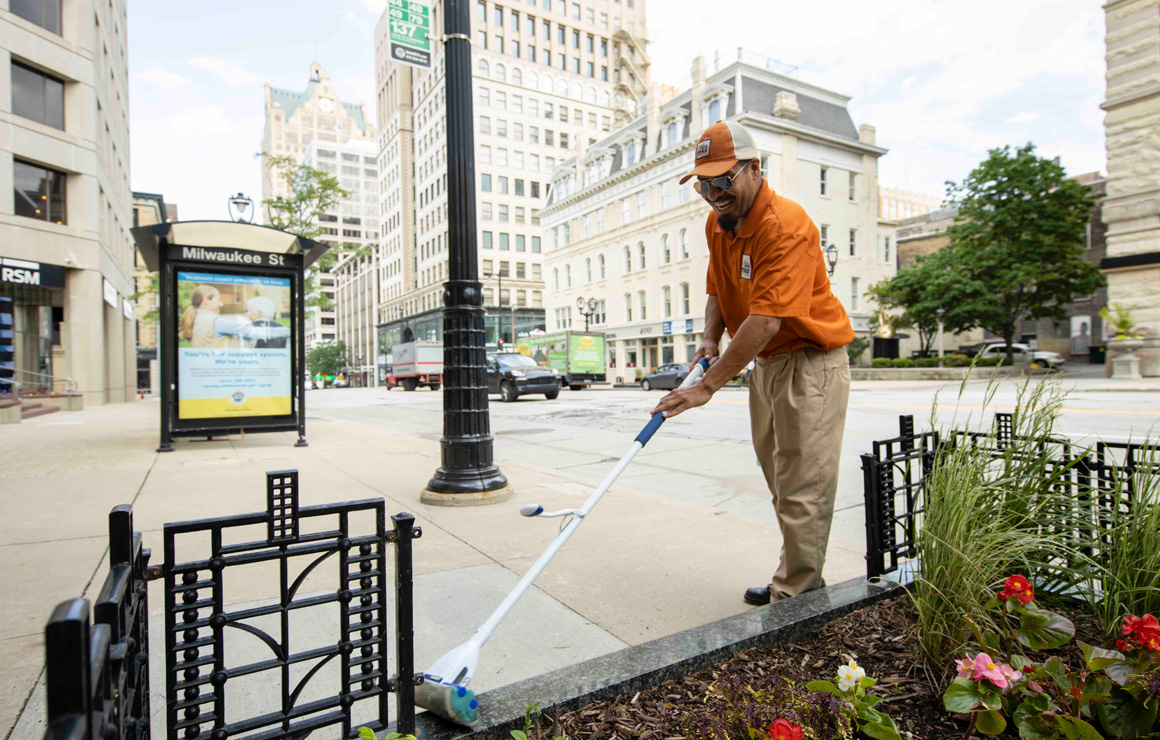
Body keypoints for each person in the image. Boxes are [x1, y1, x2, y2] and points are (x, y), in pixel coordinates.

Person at [651, 121, 854, 605]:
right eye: (703, 184)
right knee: (781, 482)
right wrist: (708, 337)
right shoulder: (718, 222)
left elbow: (765, 319)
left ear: (754, 169)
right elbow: (719, 285)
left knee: (804, 483)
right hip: (765, 365)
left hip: (810, 362)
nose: (713, 194)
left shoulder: (785, 224)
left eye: (722, 180)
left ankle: (795, 597)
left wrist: (705, 388)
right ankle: (796, 575)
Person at [180, 285, 239, 349]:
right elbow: (248, 330)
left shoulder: (195, 318)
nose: (221, 304)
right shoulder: (215, 321)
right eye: (218, 300)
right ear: (206, 301)